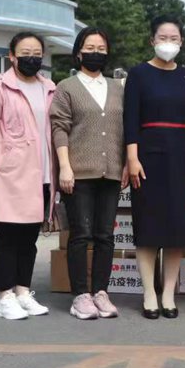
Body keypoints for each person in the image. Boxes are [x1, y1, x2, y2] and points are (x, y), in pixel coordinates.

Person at [0, 32, 55, 320]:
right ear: (12, 56)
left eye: (37, 54)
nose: (31, 58)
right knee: (8, 236)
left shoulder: (49, 88)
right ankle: (4, 296)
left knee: (29, 237)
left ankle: (23, 291)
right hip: (10, 174)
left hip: (42, 174)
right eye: (25, 53)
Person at [50, 27, 128, 320]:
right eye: (90, 48)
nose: (96, 53)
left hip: (111, 172)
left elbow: (125, 128)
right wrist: (65, 166)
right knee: (81, 234)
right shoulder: (67, 87)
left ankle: (100, 292)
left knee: (105, 235)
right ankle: (80, 295)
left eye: (101, 48)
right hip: (79, 172)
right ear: (79, 52)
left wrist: (125, 164)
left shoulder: (118, 87)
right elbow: (60, 127)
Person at [124, 16, 185, 319]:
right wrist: (132, 158)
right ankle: (149, 292)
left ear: (181, 42)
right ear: (152, 40)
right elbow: (130, 118)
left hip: (181, 158)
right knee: (149, 226)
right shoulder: (138, 74)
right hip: (147, 159)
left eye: (174, 38)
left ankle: (168, 292)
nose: (168, 43)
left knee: (177, 227)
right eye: (163, 37)